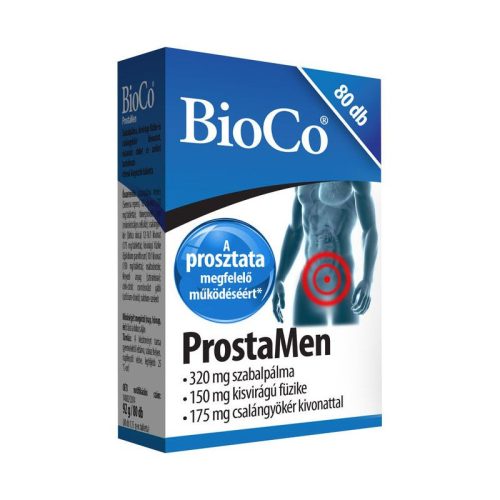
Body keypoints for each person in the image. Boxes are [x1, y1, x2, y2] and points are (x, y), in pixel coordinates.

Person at [272, 181, 378, 325]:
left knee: (346, 338)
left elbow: (369, 229)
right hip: (309, 279)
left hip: (341, 279)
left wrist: (367, 280)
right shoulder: (300, 172)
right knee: (304, 338)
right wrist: (280, 279)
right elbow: (295, 230)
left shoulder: (352, 170)